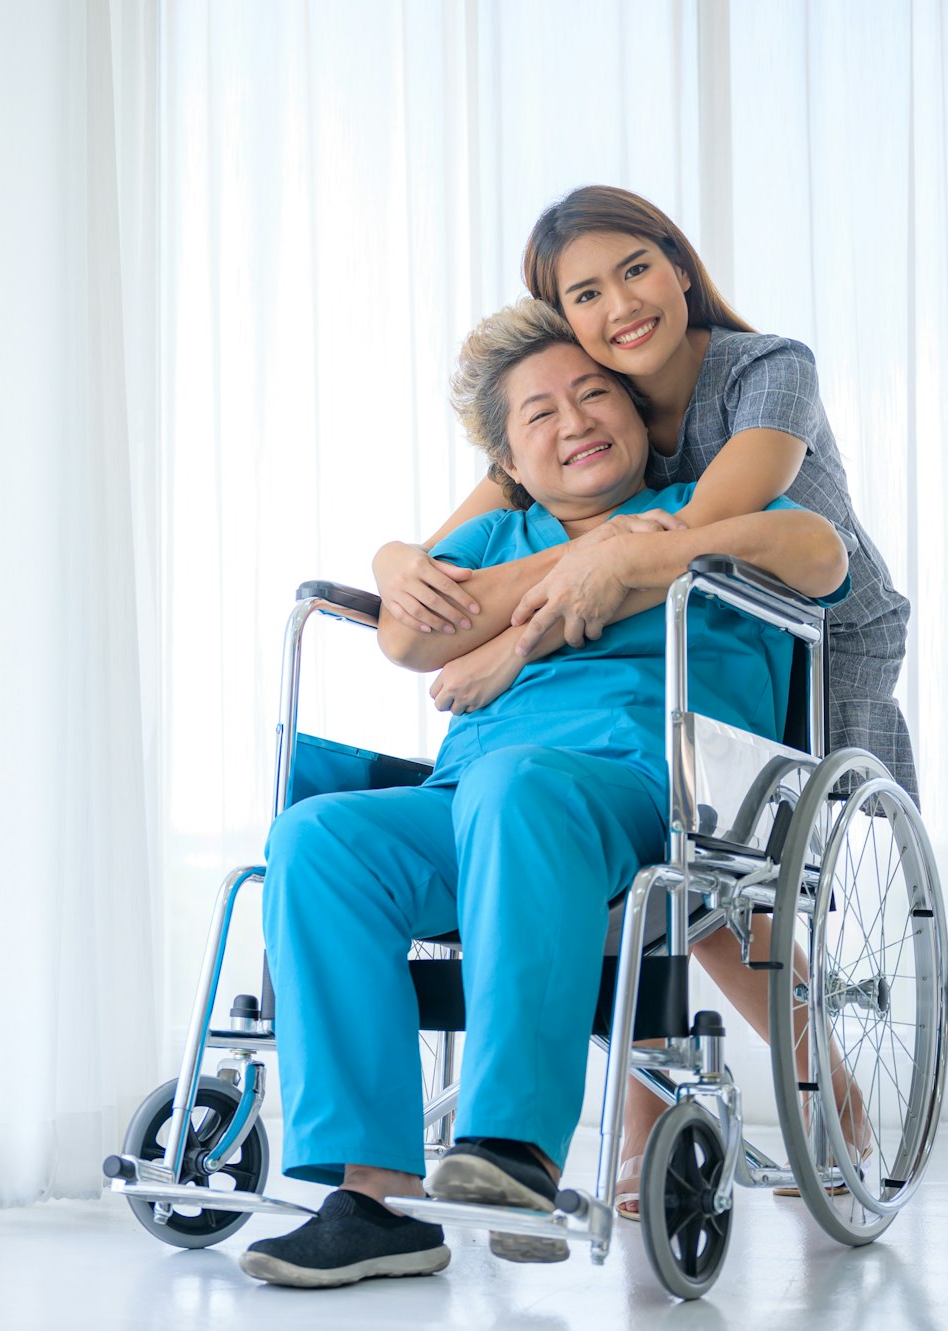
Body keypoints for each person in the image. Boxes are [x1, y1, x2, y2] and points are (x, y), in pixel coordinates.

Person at [237, 300, 849, 1289]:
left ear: (638, 419)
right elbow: (406, 638)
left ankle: (514, 1150)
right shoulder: (490, 543)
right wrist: (441, 557)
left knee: (518, 790)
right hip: (469, 800)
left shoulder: (700, 510)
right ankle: (374, 1197)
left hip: (643, 792)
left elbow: (821, 555)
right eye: (537, 414)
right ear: (508, 466)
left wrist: (650, 550)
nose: (572, 420)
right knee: (316, 837)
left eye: (594, 393)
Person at [371, 185, 905, 1214]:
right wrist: (393, 557)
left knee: (712, 862)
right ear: (559, 315)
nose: (616, 304)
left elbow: (669, 540)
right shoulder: (585, 394)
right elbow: (455, 556)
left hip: (804, 623)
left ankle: (799, 1095)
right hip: (652, 641)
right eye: (582, 292)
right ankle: (648, 1120)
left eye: (632, 268)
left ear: (677, 263)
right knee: (654, 861)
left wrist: (504, 650)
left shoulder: (761, 372)